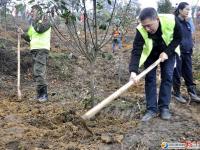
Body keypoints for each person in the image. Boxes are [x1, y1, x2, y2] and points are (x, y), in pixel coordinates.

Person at [129, 7, 182, 122]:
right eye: (144, 26)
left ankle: (164, 108)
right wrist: (133, 71)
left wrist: (167, 52)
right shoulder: (140, 29)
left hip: (169, 50)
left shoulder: (171, 20)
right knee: (150, 79)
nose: (147, 29)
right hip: (151, 54)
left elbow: (178, 38)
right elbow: (136, 50)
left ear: (157, 19)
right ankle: (151, 109)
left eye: (149, 25)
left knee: (167, 77)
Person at [18, 5, 52, 102]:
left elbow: (39, 29)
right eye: (31, 11)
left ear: (38, 11)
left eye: (33, 11)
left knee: (38, 71)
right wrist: (22, 33)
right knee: (37, 72)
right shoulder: (33, 24)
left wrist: (36, 20)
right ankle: (39, 94)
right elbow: (29, 37)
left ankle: (43, 95)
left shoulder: (45, 20)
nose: (31, 13)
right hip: (35, 50)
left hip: (42, 50)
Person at [173, 2, 200, 103]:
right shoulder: (175, 22)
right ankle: (176, 93)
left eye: (189, 10)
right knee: (177, 73)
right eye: (187, 9)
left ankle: (192, 93)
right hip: (178, 52)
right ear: (180, 10)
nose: (189, 11)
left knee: (188, 73)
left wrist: (191, 45)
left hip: (188, 52)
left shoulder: (187, 22)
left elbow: (190, 36)